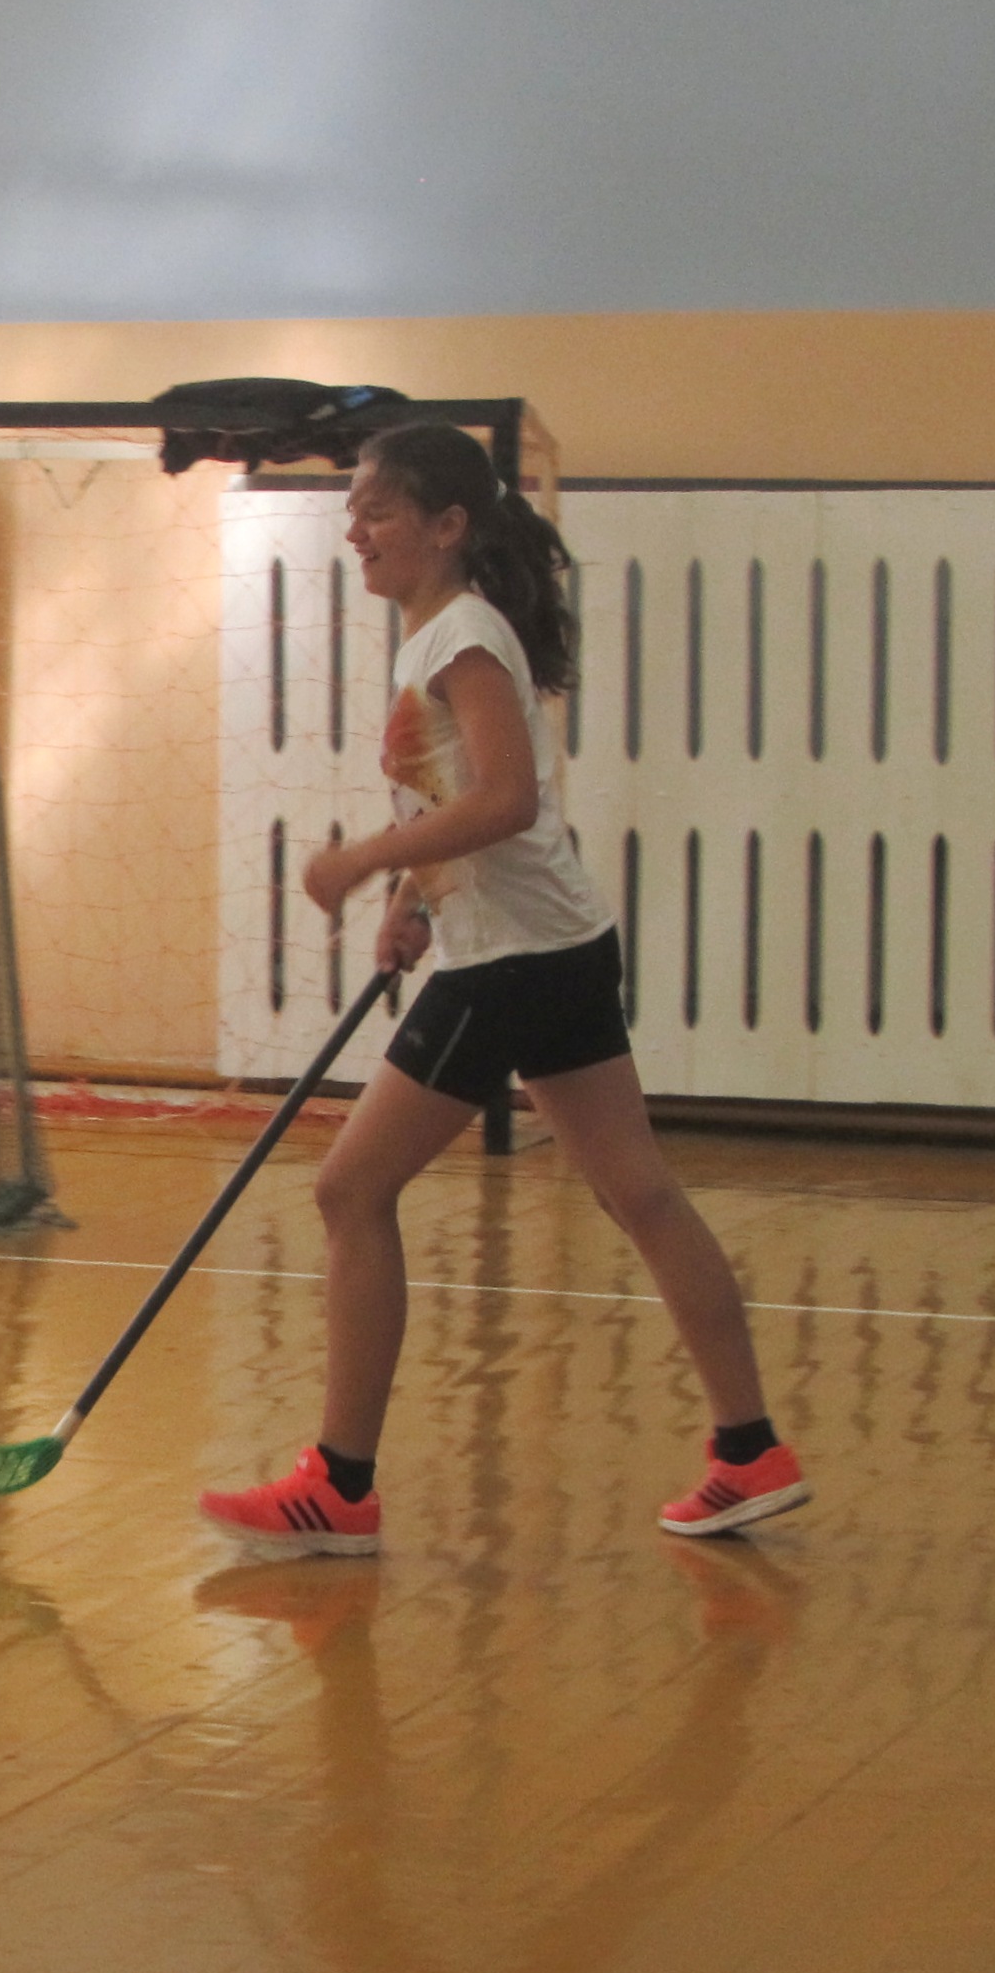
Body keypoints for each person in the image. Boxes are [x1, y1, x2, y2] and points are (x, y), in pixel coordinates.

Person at [200, 424, 808, 1553]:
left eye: (376, 511)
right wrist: (416, 901)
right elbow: (464, 811)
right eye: (352, 511)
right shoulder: (438, 634)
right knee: (641, 1194)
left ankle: (337, 1484)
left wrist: (360, 863)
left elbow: (511, 799)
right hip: (553, 946)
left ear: (446, 527)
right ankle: (747, 1450)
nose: (354, 531)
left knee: (347, 1191)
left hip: (515, 968)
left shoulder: (459, 638)